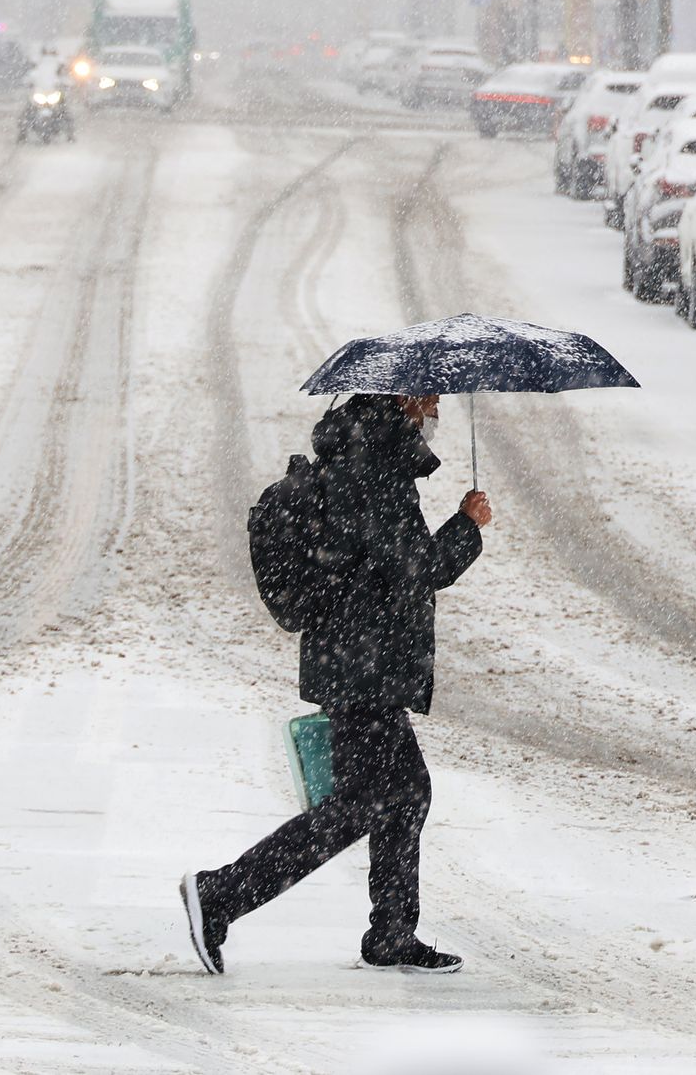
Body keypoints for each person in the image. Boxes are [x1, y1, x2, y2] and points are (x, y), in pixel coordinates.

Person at [181, 391, 492, 975]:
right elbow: (416, 568)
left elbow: (387, 564)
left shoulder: (365, 455)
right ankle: (220, 895)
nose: (438, 406)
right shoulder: (374, 465)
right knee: (361, 804)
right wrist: (467, 527)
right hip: (361, 664)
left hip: (358, 658)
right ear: (403, 397)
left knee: (405, 794)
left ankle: (392, 934)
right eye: (430, 395)